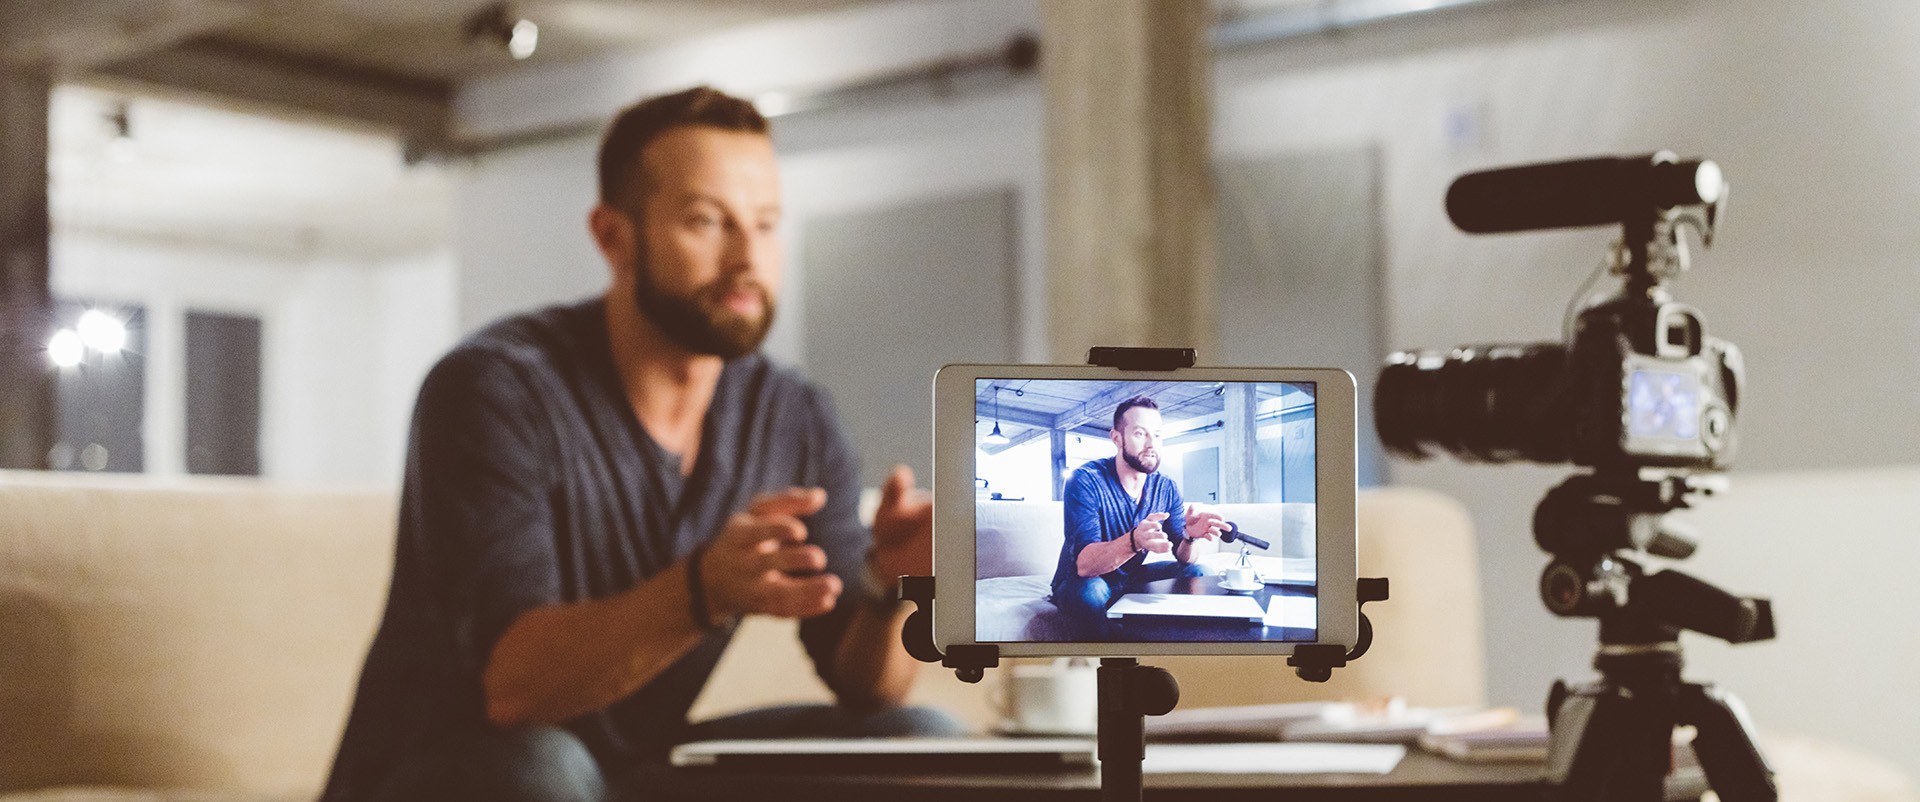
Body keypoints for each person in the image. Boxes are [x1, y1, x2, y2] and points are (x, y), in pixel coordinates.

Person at [320, 86, 959, 802]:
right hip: (451, 770)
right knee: (544, 769)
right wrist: (703, 590)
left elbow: (867, 686)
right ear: (613, 236)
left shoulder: (793, 415)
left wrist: (891, 585)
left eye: (767, 223)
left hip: (635, 768)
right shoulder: (492, 389)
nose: (748, 256)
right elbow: (514, 692)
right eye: (706, 221)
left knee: (920, 736)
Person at [1049, 396, 1229, 632]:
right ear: (1117, 438)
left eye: (1157, 434)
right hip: (1084, 581)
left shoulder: (1166, 487)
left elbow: (1185, 557)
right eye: (1140, 434)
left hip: (1131, 577)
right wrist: (1134, 541)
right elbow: (1084, 566)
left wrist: (1189, 536)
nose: (1151, 443)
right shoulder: (1085, 480)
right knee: (1089, 593)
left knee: (1201, 573)